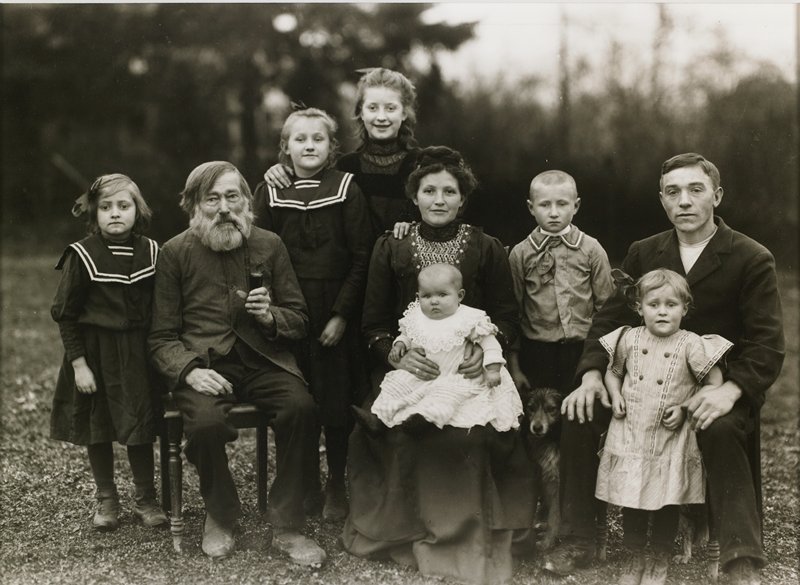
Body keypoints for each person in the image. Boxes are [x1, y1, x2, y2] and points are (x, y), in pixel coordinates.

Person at [545, 153, 785, 585]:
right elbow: (609, 320)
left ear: (717, 195)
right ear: (661, 200)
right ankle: (577, 538)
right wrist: (592, 375)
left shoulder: (751, 257)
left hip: (712, 384)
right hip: (638, 384)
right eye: (673, 192)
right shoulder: (645, 251)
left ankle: (740, 556)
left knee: (723, 425)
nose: (685, 201)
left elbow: (767, 344)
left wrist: (730, 390)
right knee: (578, 413)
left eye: (696, 190)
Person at [342, 146, 533, 585]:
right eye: (430, 190)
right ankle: (403, 530)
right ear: (415, 196)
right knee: (396, 428)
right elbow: (371, 322)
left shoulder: (487, 248)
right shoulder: (390, 245)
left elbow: (506, 318)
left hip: (469, 368)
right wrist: (395, 352)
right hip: (410, 367)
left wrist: (483, 350)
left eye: (450, 191)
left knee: (471, 434)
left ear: (463, 198)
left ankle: (467, 534)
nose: (439, 199)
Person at [148, 161, 325, 566]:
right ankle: (221, 514)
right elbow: (160, 336)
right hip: (205, 365)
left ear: (247, 202)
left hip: (265, 358)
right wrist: (190, 371)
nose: (224, 207)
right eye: (212, 199)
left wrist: (269, 317)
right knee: (207, 425)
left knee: (301, 408)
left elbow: (299, 318)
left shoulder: (270, 244)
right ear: (194, 206)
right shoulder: (175, 253)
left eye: (232, 197)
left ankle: (287, 524)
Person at [252, 107, 372, 521]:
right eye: (299, 139)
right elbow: (256, 254)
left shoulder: (347, 189)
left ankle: (336, 482)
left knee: (336, 403)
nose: (308, 145)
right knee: (293, 401)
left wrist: (341, 315)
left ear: (331, 147)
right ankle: (301, 479)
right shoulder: (268, 191)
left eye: (317, 139)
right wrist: (271, 312)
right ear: (285, 148)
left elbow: (361, 258)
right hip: (286, 312)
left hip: (333, 311)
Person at [597, 269, 732, 585]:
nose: (662, 311)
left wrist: (686, 407)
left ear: (684, 308)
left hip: (670, 435)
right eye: (654, 304)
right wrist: (615, 394)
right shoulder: (628, 338)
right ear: (638, 307)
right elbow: (614, 372)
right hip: (631, 430)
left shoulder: (691, 344)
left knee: (666, 496)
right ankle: (632, 554)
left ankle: (659, 556)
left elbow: (714, 382)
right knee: (631, 494)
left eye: (671, 305)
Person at [51, 173, 168, 531]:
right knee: (97, 425)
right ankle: (106, 497)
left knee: (140, 424)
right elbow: (66, 315)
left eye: (123, 206)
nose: (115, 214)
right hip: (95, 354)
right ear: (94, 213)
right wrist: (79, 364)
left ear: (138, 210)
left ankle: (146, 498)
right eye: (105, 207)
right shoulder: (83, 255)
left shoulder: (151, 251)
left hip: (137, 353)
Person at [263, 67, 421, 237]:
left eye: (390, 108)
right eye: (373, 108)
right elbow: (309, 181)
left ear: (404, 113)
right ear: (361, 112)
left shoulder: (420, 164)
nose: (381, 117)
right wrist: (284, 170)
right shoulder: (346, 166)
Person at [368, 263, 522, 432]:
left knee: (444, 400)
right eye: (426, 296)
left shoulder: (468, 319)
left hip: (454, 377)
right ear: (418, 296)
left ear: (460, 295)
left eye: (442, 295)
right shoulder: (416, 316)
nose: (434, 301)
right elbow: (407, 335)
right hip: (420, 376)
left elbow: (490, 344)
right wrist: (399, 344)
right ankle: (378, 419)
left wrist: (492, 370)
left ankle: (424, 421)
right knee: (394, 390)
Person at [507, 170, 614, 397]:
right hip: (536, 352)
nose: (554, 213)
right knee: (540, 415)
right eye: (545, 205)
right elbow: (513, 312)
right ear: (531, 207)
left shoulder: (592, 249)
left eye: (562, 204)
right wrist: (514, 366)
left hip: (582, 350)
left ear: (576, 206)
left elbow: (606, 307)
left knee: (579, 411)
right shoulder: (520, 253)